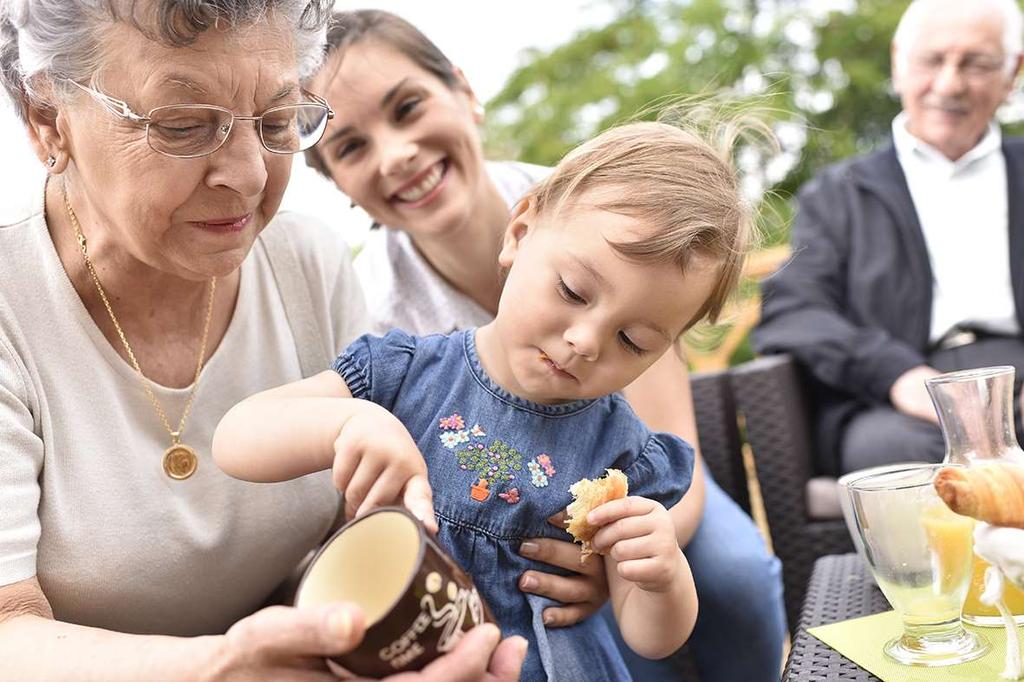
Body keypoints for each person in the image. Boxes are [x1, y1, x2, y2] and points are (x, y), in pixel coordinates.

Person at [0, 1, 526, 679]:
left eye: (278, 121)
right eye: (184, 127)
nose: (248, 175)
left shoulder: (309, 263)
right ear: (46, 121)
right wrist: (224, 667)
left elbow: (362, 533)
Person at [298, 10, 788, 679]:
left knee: (733, 573)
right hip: (500, 516)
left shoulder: (608, 217)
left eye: (408, 108)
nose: (396, 153)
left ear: (463, 91)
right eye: (351, 148)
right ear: (339, 185)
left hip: (618, 481)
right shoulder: (383, 315)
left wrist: (617, 561)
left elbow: (676, 452)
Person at [214, 119, 755, 681]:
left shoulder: (622, 454)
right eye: (572, 291)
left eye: (633, 341)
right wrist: (350, 421)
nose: (585, 341)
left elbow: (651, 639)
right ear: (519, 232)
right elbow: (237, 438)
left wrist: (662, 577)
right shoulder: (403, 373)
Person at [755, 0, 1024, 476]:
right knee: (895, 461)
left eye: (976, 64)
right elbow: (793, 310)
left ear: (1012, 73)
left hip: (1016, 371)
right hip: (904, 397)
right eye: (932, 60)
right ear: (899, 62)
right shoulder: (839, 195)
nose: (949, 84)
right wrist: (894, 373)